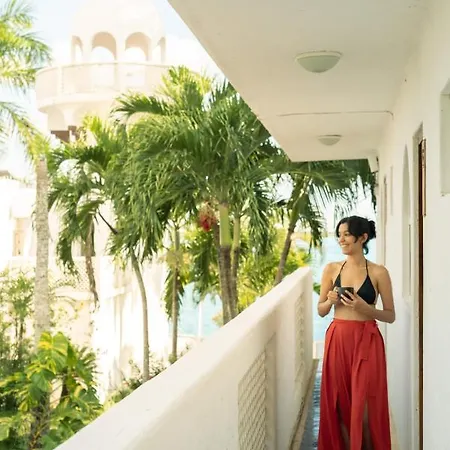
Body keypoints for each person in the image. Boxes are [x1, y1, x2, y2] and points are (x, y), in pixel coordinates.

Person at [317, 216, 395, 450]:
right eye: (339, 235)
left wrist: (365, 308)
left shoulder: (379, 272)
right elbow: (321, 310)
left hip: (367, 341)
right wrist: (330, 301)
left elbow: (390, 315)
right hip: (338, 340)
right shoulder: (331, 269)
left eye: (347, 235)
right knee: (340, 406)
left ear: (363, 237)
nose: (341, 239)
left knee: (366, 410)